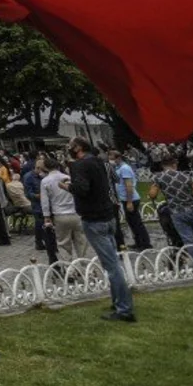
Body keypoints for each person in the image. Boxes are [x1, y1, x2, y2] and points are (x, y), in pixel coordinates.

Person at [66, 138, 135, 322]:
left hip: (94, 218)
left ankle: (124, 309)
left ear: (78, 148)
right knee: (112, 262)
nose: (68, 149)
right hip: (108, 215)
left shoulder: (79, 165)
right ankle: (117, 300)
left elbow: (82, 189)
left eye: (70, 146)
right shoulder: (102, 162)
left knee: (112, 266)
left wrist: (66, 186)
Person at [149, 151, 193, 268]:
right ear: (175, 164)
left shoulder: (158, 177)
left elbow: (152, 195)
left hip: (177, 212)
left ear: (162, 165)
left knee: (189, 240)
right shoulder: (186, 176)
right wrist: (189, 196)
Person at [40, 156, 85, 262]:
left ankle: (69, 268)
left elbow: (45, 201)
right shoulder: (68, 177)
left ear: (46, 168)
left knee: (64, 244)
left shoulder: (45, 181)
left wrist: (46, 216)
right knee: (81, 242)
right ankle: (86, 266)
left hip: (59, 214)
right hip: (75, 212)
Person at [109, 151, 152, 250]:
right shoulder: (118, 168)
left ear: (118, 158)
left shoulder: (125, 168)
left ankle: (144, 243)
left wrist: (129, 201)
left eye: (112, 158)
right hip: (125, 199)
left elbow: (129, 186)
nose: (110, 160)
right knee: (132, 222)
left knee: (136, 222)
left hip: (131, 199)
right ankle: (138, 242)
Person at [21, 158, 46, 252]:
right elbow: (28, 193)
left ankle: (45, 241)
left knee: (44, 223)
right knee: (39, 223)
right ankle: (39, 242)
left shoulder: (42, 176)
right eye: (43, 170)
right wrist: (37, 196)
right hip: (37, 204)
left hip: (45, 203)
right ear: (38, 168)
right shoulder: (28, 177)